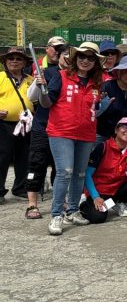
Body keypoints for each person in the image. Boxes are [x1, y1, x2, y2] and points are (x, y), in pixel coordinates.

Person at [35, 42, 105, 235]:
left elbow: (93, 110)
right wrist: (42, 90)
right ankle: (56, 214)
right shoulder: (61, 76)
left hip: (86, 134)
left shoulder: (97, 83)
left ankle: (72, 210)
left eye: (91, 58)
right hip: (61, 132)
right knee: (65, 172)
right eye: (82, 56)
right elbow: (47, 103)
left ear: (96, 62)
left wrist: (103, 107)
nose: (85, 61)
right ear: (75, 58)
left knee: (80, 174)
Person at [80, 118, 127, 223]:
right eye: (125, 127)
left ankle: (115, 202)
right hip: (100, 191)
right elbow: (87, 174)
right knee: (98, 218)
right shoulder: (103, 147)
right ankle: (84, 203)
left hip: (118, 190)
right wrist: (95, 197)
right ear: (116, 130)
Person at [24, 46, 67, 219]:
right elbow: (31, 97)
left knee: (60, 167)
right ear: (58, 56)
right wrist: (38, 82)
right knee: (37, 164)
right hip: (43, 126)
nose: (68, 58)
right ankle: (32, 204)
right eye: (65, 55)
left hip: (63, 129)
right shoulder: (48, 72)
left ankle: (60, 201)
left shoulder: (77, 77)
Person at [0, 47, 35, 206]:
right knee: (2, 157)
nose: (14, 61)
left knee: (24, 157)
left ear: (25, 63)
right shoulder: (0, 77)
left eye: (18, 58)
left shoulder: (31, 80)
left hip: (25, 124)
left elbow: (37, 99)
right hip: (3, 124)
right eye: (11, 58)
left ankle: (20, 188)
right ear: (5, 62)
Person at [96, 54, 127, 144]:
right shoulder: (107, 87)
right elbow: (96, 110)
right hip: (104, 134)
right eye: (126, 71)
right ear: (119, 72)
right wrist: (101, 106)